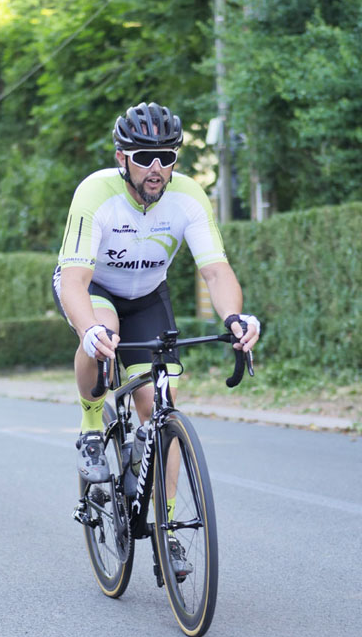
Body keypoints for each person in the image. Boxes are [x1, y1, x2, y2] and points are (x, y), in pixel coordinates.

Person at [53, 100, 260, 485]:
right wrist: (89, 331)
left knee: (160, 412)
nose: (155, 168)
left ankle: (169, 520)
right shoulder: (95, 193)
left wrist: (234, 317)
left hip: (147, 297)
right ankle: (91, 426)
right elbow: (74, 281)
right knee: (103, 334)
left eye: (165, 157)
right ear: (122, 158)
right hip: (94, 288)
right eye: (144, 157)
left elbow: (216, 271)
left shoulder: (189, 196)